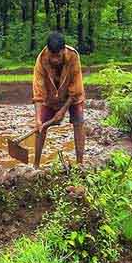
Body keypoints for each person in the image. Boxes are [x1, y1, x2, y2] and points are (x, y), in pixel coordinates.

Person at [32, 32, 85, 168]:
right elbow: (38, 91)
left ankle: (80, 164)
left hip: (72, 96)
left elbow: (75, 88)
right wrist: (38, 119)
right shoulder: (42, 59)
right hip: (51, 95)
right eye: (52, 56)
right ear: (48, 51)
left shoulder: (73, 56)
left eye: (58, 56)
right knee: (41, 126)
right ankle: (36, 166)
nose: (55, 60)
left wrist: (62, 111)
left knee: (78, 122)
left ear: (63, 51)